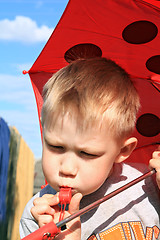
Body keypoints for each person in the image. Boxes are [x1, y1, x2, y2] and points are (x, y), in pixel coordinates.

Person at [19, 58, 160, 240]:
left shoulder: (150, 186)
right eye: (56, 146)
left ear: (122, 151)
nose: (67, 168)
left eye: (87, 153)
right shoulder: (38, 216)